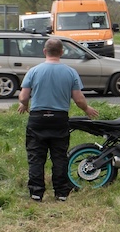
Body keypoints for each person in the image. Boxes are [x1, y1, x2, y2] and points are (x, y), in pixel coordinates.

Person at [16, 37, 99, 201]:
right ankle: (61, 192)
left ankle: (36, 192)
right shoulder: (70, 72)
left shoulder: (33, 71)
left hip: (37, 118)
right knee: (59, 157)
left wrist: (24, 105)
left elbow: (24, 96)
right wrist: (86, 109)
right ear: (62, 52)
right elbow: (79, 99)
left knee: (36, 157)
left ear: (44, 51)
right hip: (59, 119)